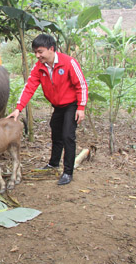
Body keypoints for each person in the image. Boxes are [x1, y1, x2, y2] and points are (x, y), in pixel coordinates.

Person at [7, 34, 88, 185]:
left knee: (67, 136)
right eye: (36, 52)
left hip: (72, 105)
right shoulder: (39, 67)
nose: (37, 55)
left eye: (40, 52)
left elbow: (81, 85)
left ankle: (68, 172)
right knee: (56, 134)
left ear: (51, 49)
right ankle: (53, 164)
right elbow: (29, 87)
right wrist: (18, 109)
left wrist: (81, 108)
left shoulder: (69, 62)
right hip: (58, 106)